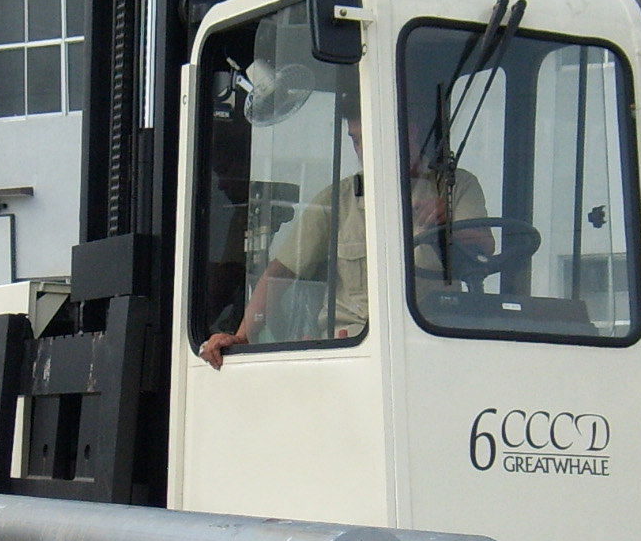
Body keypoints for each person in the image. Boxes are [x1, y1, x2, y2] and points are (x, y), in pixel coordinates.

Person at [202, 93, 490, 369]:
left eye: (367, 139)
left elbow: (484, 249)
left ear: (408, 132)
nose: (361, 150)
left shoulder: (455, 187)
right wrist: (242, 336)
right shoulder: (337, 200)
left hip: (430, 344)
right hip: (348, 348)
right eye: (355, 140)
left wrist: (448, 229)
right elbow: (280, 272)